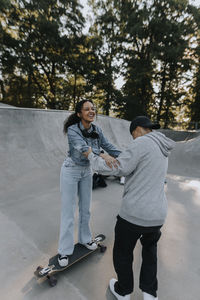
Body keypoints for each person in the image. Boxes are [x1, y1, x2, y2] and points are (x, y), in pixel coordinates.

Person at [83, 116, 175, 300]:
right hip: (157, 215)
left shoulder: (141, 142)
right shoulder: (162, 147)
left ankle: (123, 291)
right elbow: (138, 166)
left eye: (133, 135)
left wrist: (92, 157)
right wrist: (108, 155)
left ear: (138, 129)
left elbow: (118, 169)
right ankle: (150, 293)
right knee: (150, 253)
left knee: (122, 253)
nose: (133, 139)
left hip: (135, 213)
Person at [58, 99, 121, 267]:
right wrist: (102, 154)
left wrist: (128, 157)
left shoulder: (97, 130)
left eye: (93, 109)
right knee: (68, 212)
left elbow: (110, 147)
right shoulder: (72, 130)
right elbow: (83, 148)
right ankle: (64, 251)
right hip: (71, 170)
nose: (91, 111)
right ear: (79, 114)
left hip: (86, 171)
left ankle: (85, 239)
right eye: (87, 109)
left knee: (85, 209)